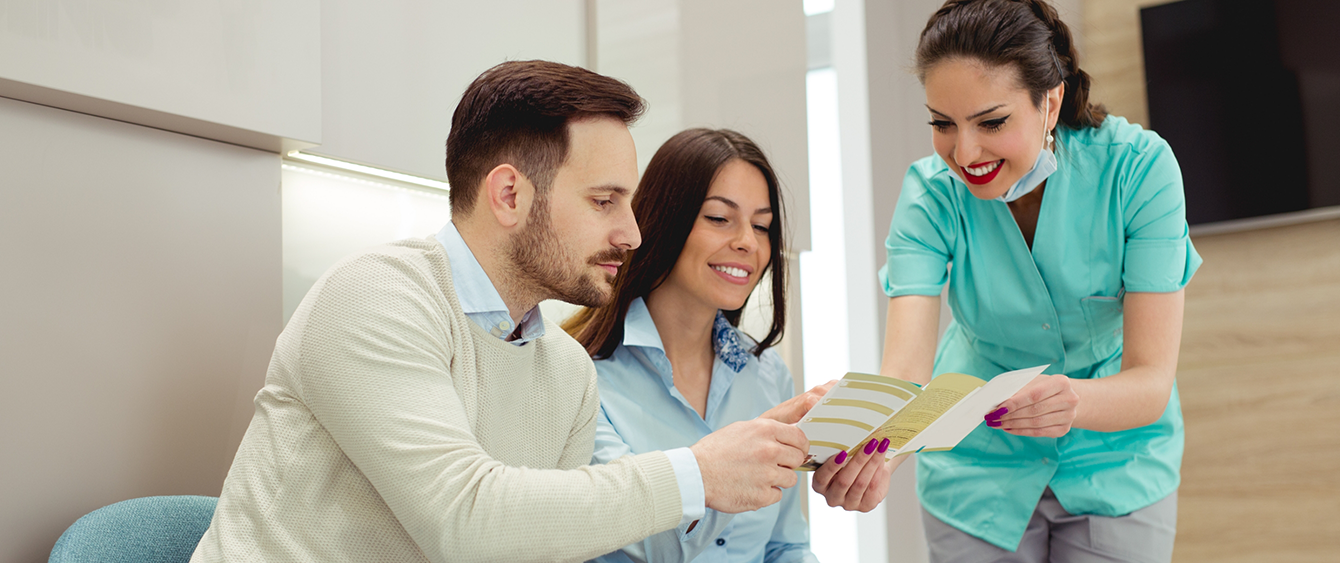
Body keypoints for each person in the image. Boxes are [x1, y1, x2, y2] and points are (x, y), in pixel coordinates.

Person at [191, 61, 818, 563]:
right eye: (604, 201)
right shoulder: (376, 298)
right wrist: (698, 473)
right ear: (510, 194)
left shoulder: (565, 369)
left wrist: (778, 457)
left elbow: (554, 540)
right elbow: (464, 523)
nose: (632, 233)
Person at [877, 1, 1201, 561]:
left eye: (992, 122)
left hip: (1116, 459)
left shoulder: (1138, 170)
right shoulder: (929, 196)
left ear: (1049, 101)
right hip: (973, 466)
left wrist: (1069, 401)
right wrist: (877, 453)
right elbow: (905, 372)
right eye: (942, 124)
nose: (964, 152)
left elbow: (1150, 381)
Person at [565, 128, 894, 563]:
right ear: (663, 219)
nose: (748, 242)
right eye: (720, 218)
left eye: (761, 226)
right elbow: (648, 544)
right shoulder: (577, 374)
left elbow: (785, 547)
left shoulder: (769, 374)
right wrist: (723, 470)